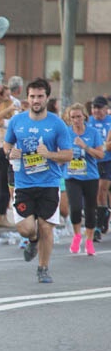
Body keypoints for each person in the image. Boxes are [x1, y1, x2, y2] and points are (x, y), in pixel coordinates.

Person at [3, 78, 73, 284]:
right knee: (25, 227)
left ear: (47, 98)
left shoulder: (57, 123)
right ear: (27, 97)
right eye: (32, 96)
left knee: (45, 226)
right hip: (24, 183)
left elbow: (68, 155)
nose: (36, 100)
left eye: (40, 96)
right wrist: (10, 153)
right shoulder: (17, 122)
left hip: (49, 183)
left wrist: (50, 154)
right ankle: (32, 241)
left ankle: (43, 268)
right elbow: (6, 145)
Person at [64, 103, 104, 255]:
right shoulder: (66, 133)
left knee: (90, 210)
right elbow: (60, 150)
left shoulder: (93, 133)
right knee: (74, 208)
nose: (76, 120)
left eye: (79, 117)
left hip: (90, 177)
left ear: (84, 117)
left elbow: (100, 154)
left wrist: (85, 147)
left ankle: (89, 241)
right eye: (73, 117)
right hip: (72, 176)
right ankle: (76, 235)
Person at [0, 80, 21, 227]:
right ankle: (1, 217)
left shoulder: (2, 123)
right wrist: (11, 109)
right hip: (1, 155)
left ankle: (2, 216)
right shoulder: (3, 122)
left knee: (1, 188)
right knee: (4, 188)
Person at [85, 95, 111, 238]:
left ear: (106, 109)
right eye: (94, 108)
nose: (96, 111)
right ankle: (101, 218)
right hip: (91, 161)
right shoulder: (88, 121)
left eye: (99, 108)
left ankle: (99, 225)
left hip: (107, 161)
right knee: (94, 192)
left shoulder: (110, 122)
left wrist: (105, 147)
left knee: (102, 190)